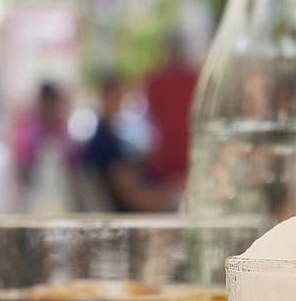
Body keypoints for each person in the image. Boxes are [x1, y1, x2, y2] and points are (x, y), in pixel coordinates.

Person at [81, 72, 177, 212]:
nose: (119, 103)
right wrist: (167, 203)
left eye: (120, 97)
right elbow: (129, 193)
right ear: (104, 98)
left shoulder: (109, 136)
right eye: (116, 97)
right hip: (129, 218)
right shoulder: (103, 141)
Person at [142, 33, 198, 187]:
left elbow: (154, 117)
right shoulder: (197, 76)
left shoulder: (155, 79)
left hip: (169, 160)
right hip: (189, 158)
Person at [13, 80, 76, 213]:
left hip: (62, 201)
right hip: (34, 202)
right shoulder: (29, 133)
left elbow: (74, 168)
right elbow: (21, 171)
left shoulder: (63, 132)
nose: (51, 109)